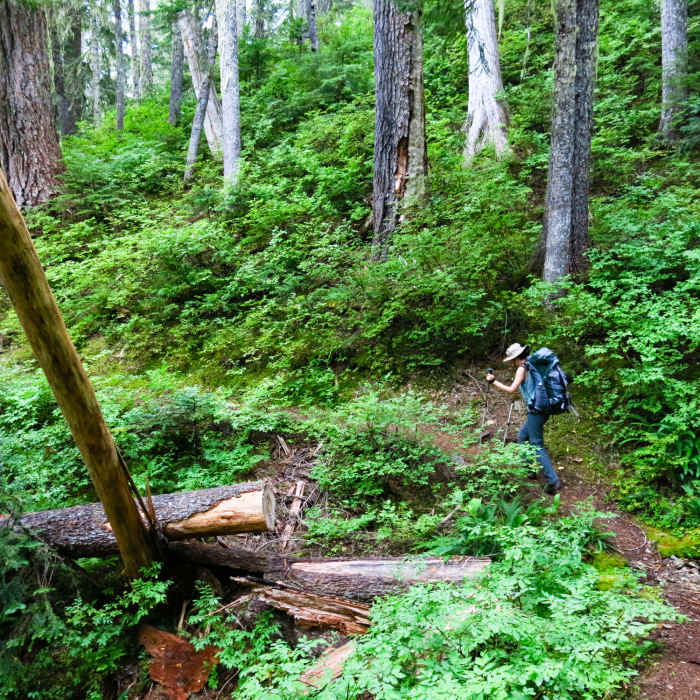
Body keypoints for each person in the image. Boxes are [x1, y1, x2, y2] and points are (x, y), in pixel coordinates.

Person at [486, 343, 562, 494]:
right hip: (542, 409)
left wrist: (493, 381)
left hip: (536, 411)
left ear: (515, 358)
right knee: (522, 437)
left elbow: (511, 389)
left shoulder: (522, 368)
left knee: (536, 444)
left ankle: (553, 481)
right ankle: (529, 470)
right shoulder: (532, 365)